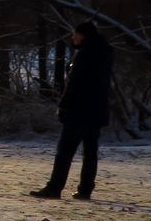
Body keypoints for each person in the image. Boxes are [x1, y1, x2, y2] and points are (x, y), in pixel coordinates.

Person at [32, 21, 112, 200]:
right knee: (90, 152)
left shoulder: (84, 55)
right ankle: (85, 189)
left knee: (64, 152)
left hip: (79, 111)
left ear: (83, 35)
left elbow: (74, 85)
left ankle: (54, 187)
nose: (73, 37)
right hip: (97, 111)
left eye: (75, 34)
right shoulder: (105, 53)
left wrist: (63, 105)